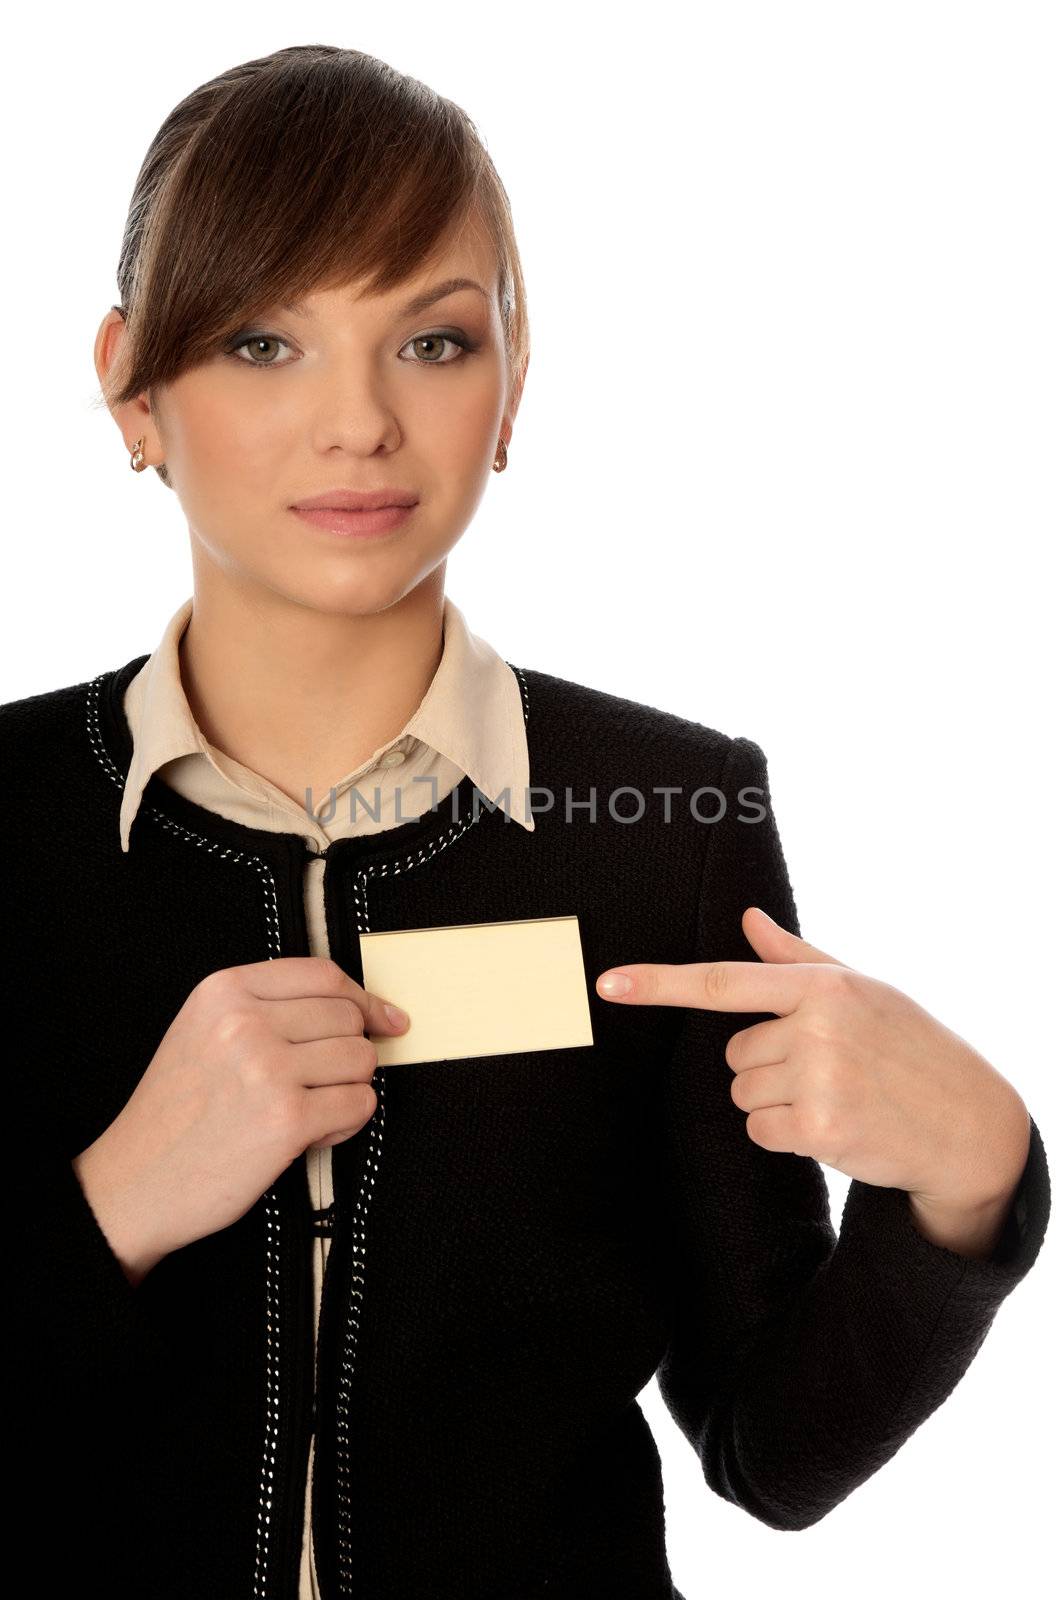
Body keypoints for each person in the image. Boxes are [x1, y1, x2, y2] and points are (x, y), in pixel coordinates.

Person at [6, 42, 1050, 1600]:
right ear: (130, 385)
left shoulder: (671, 817)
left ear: (512, 386)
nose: (358, 423)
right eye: (261, 340)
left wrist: (972, 1189)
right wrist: (118, 1204)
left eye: (430, 343)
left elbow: (772, 1448)